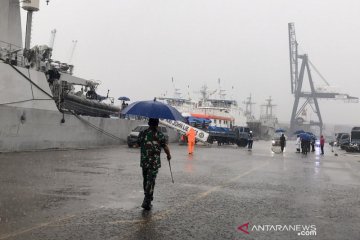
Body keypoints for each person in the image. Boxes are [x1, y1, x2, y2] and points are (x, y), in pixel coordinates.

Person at [137, 118, 171, 210]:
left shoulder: (143, 133)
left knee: (145, 179)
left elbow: (138, 143)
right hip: (154, 162)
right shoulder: (160, 135)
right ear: (157, 124)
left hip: (144, 161)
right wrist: (168, 155)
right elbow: (165, 147)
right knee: (151, 180)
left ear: (148, 123)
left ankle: (147, 197)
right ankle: (147, 199)